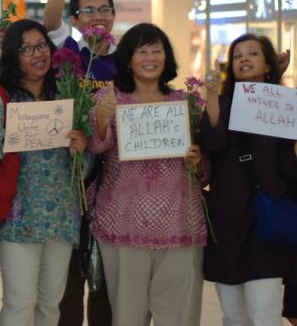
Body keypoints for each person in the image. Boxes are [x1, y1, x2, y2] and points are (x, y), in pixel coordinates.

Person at [89, 23, 207, 326]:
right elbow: (93, 148)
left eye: (157, 51)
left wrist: (198, 160)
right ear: (128, 59)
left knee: (179, 317)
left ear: (167, 58)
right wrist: (101, 119)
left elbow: (205, 167)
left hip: (181, 223)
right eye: (142, 51)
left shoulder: (186, 103)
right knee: (127, 316)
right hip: (123, 222)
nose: (151, 58)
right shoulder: (109, 99)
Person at [0, 20, 85, 326]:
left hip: (62, 216)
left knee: (50, 305)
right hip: (18, 217)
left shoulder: (65, 93)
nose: (38, 54)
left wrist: (81, 147)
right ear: (13, 55)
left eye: (41, 45)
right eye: (26, 49)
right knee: (19, 305)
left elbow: (82, 167)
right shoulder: (0, 95)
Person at [199, 33, 297, 325]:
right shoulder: (223, 103)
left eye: (253, 53)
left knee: (265, 313)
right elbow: (213, 141)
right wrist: (212, 96)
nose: (244, 59)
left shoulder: (282, 106)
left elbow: (288, 167)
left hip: (267, 223)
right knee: (234, 316)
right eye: (237, 55)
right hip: (227, 222)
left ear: (268, 65)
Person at [42, 0, 115, 326]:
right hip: (68, 181)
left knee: (105, 282)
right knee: (67, 281)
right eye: (88, 10)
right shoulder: (68, 52)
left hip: (114, 184)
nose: (98, 16)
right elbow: (50, 20)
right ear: (75, 20)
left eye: (104, 9)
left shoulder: (127, 59)